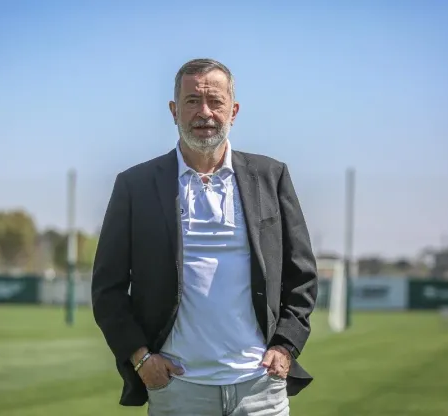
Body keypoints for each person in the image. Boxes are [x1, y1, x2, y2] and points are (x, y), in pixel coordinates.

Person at [91, 58, 318, 415]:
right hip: (178, 389)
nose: (204, 112)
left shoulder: (270, 177)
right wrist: (141, 358)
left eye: (216, 102)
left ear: (234, 110)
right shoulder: (135, 186)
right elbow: (107, 290)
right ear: (174, 110)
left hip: (260, 389)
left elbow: (301, 275)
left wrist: (286, 346)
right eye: (192, 101)